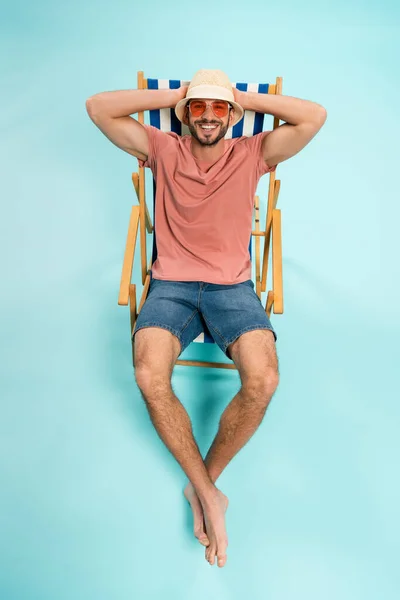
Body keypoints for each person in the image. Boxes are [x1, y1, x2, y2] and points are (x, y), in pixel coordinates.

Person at [86, 69, 327, 568]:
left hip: (232, 287)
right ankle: (208, 493)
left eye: (219, 109)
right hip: (170, 286)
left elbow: (315, 117)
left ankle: (205, 487)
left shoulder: (252, 153)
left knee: (264, 380)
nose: (209, 116)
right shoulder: (161, 146)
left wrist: (229, 94)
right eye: (199, 108)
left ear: (233, 115)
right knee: (149, 375)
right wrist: (180, 94)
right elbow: (98, 106)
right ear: (187, 114)